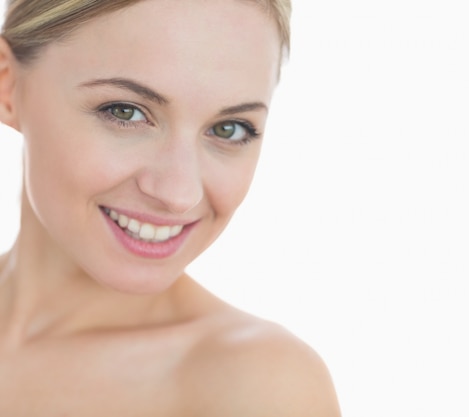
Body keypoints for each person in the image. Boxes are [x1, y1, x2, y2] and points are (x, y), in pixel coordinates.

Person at [0, 0, 341, 415]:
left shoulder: (258, 388)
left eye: (228, 129)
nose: (180, 194)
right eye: (125, 112)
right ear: (8, 84)